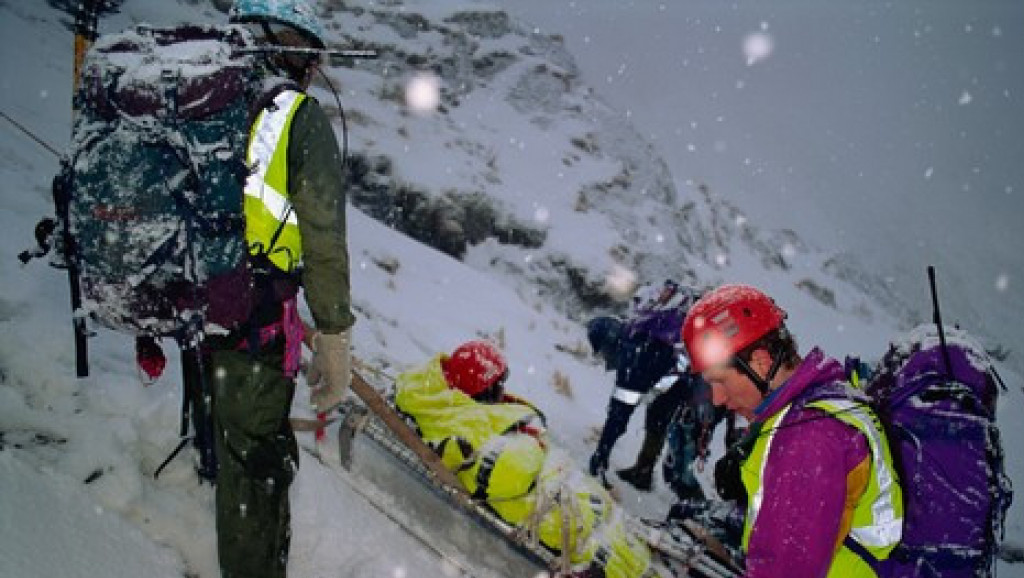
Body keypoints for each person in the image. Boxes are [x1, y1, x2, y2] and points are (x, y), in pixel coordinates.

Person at [202, 2, 355, 576]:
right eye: (310, 54)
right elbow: (322, 236)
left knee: (237, 441)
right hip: (250, 316)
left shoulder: (210, 100)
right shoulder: (294, 114)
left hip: (199, 298)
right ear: (289, 46)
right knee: (251, 464)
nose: (313, 69)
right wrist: (335, 331)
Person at [681, 284, 903, 577]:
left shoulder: (809, 437)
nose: (717, 398)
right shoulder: (820, 408)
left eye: (720, 381)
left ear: (760, 364)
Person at [394, 341, 658, 578]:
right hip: (556, 515)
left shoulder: (452, 406)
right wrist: (532, 442)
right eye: (498, 385)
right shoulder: (467, 427)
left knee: (614, 536)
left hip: (561, 497)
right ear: (484, 389)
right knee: (612, 552)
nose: (503, 390)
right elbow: (510, 475)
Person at [586, 280, 702, 491]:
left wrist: (600, 455)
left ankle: (610, 465)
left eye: (603, 352)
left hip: (678, 374)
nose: (605, 358)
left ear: (609, 341)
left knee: (640, 418)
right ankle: (643, 471)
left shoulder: (633, 353)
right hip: (685, 374)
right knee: (658, 418)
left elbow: (619, 414)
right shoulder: (641, 329)